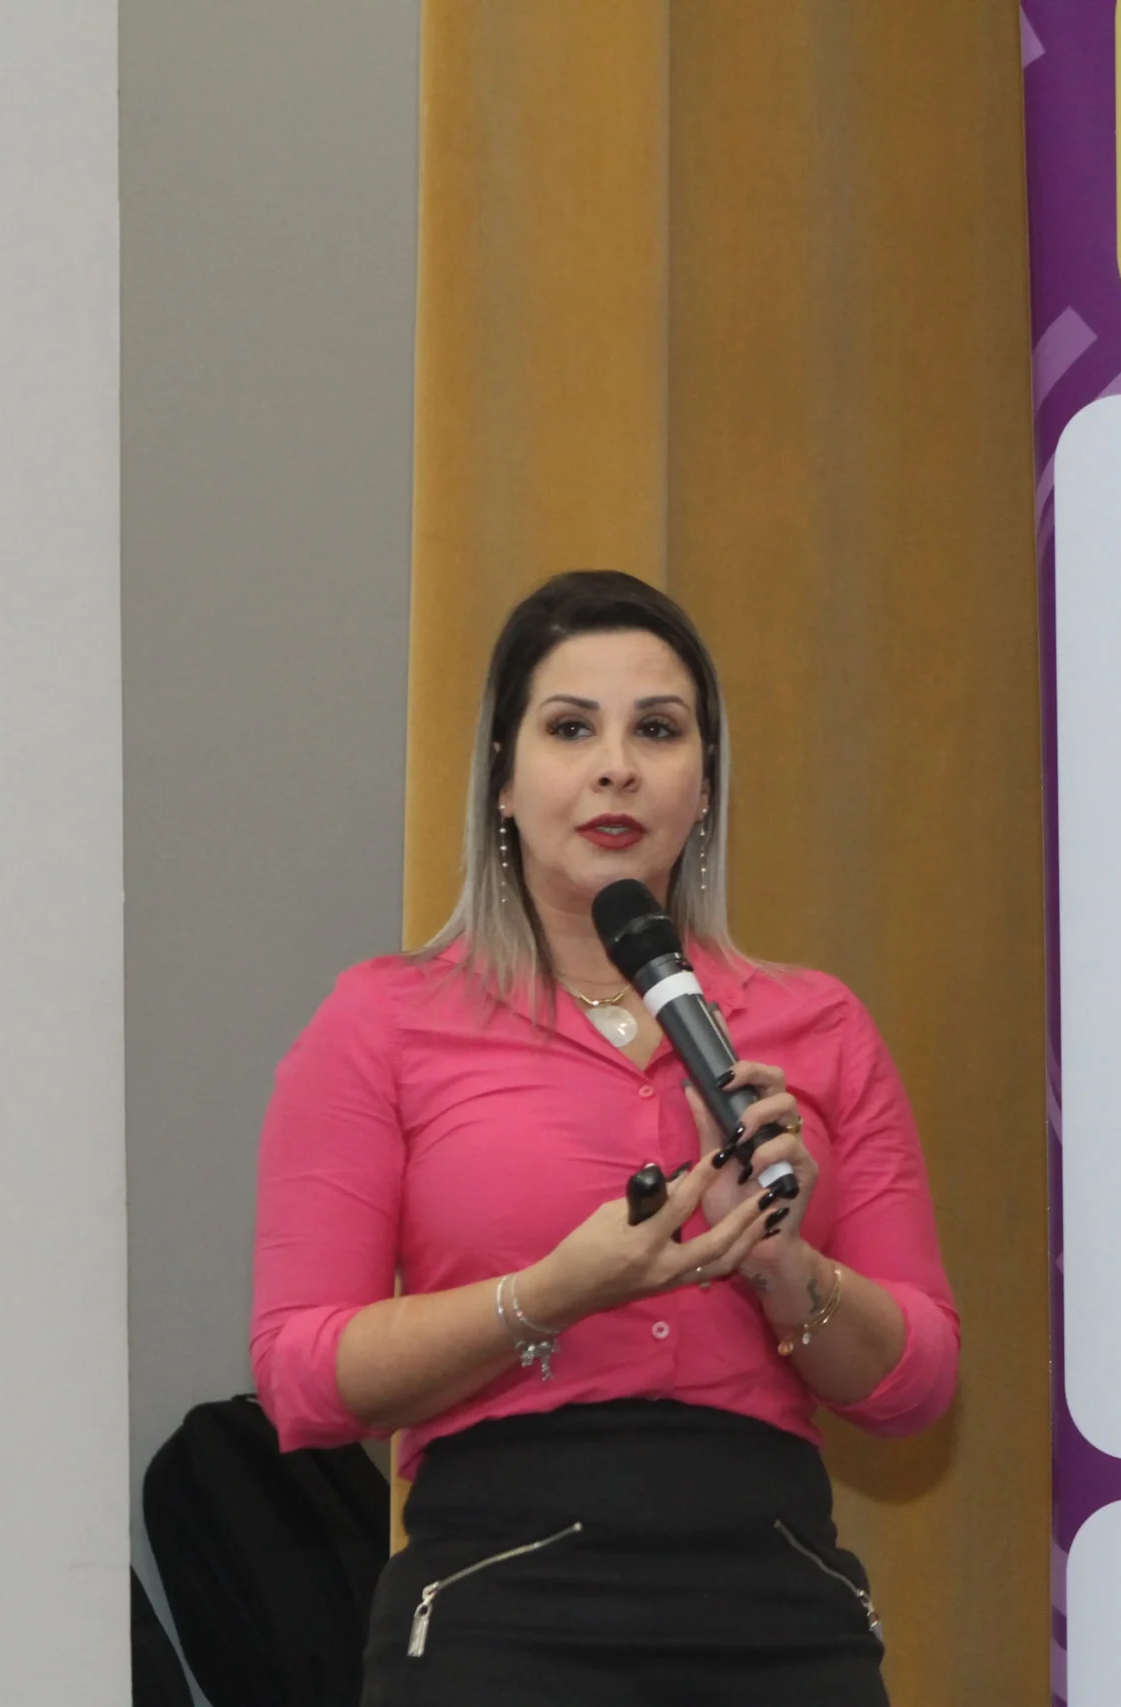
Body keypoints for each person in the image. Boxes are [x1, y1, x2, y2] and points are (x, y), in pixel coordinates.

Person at [250, 570, 958, 1706]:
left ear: (705, 784)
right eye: (571, 728)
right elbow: (300, 1375)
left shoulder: (815, 1024)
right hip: (504, 1598)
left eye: (658, 730)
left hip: (776, 1601)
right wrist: (549, 1294)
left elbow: (917, 1387)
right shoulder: (385, 1021)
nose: (616, 766)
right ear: (503, 777)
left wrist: (785, 1266)